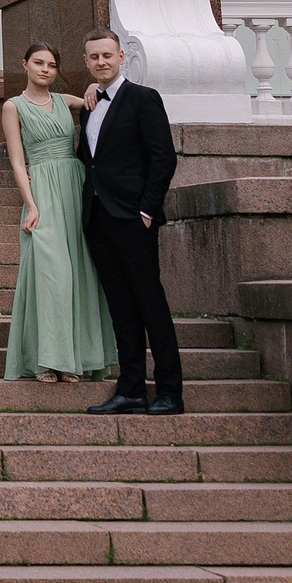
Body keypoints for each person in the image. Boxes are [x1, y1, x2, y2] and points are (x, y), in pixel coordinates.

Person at [74, 28, 184, 415]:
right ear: (86, 61)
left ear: (121, 57)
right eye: (94, 57)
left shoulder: (143, 98)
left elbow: (163, 158)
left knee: (151, 305)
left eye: (107, 55)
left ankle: (170, 392)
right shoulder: (89, 105)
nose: (101, 62)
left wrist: (147, 211)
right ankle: (132, 390)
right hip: (98, 220)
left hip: (134, 220)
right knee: (121, 309)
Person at [0, 41, 115, 383]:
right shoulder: (13, 106)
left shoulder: (65, 101)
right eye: (39, 63)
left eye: (51, 65)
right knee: (53, 276)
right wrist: (31, 205)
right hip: (42, 192)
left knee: (80, 273)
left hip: (74, 188)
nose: (45, 70)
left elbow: (101, 98)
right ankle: (46, 360)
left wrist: (92, 86)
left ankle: (74, 360)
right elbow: (17, 162)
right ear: (25, 64)